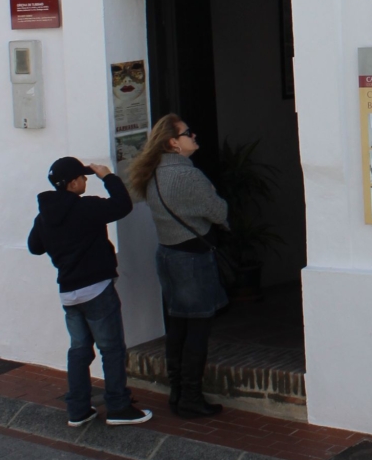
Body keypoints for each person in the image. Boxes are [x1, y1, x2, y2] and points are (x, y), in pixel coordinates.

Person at [28, 157, 153, 427]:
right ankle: (118, 407)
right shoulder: (86, 207)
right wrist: (108, 176)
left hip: (69, 294)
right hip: (96, 290)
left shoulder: (44, 216)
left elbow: (35, 247)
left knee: (79, 351)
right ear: (73, 183)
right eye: (83, 177)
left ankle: (78, 410)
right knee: (111, 349)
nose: (86, 180)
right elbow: (123, 205)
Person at [129, 114, 227, 419]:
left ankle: (177, 393)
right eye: (188, 133)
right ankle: (191, 397)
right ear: (173, 142)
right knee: (197, 329)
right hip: (192, 259)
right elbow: (219, 212)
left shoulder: (152, 173)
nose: (193, 136)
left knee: (178, 327)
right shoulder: (188, 176)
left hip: (168, 255)